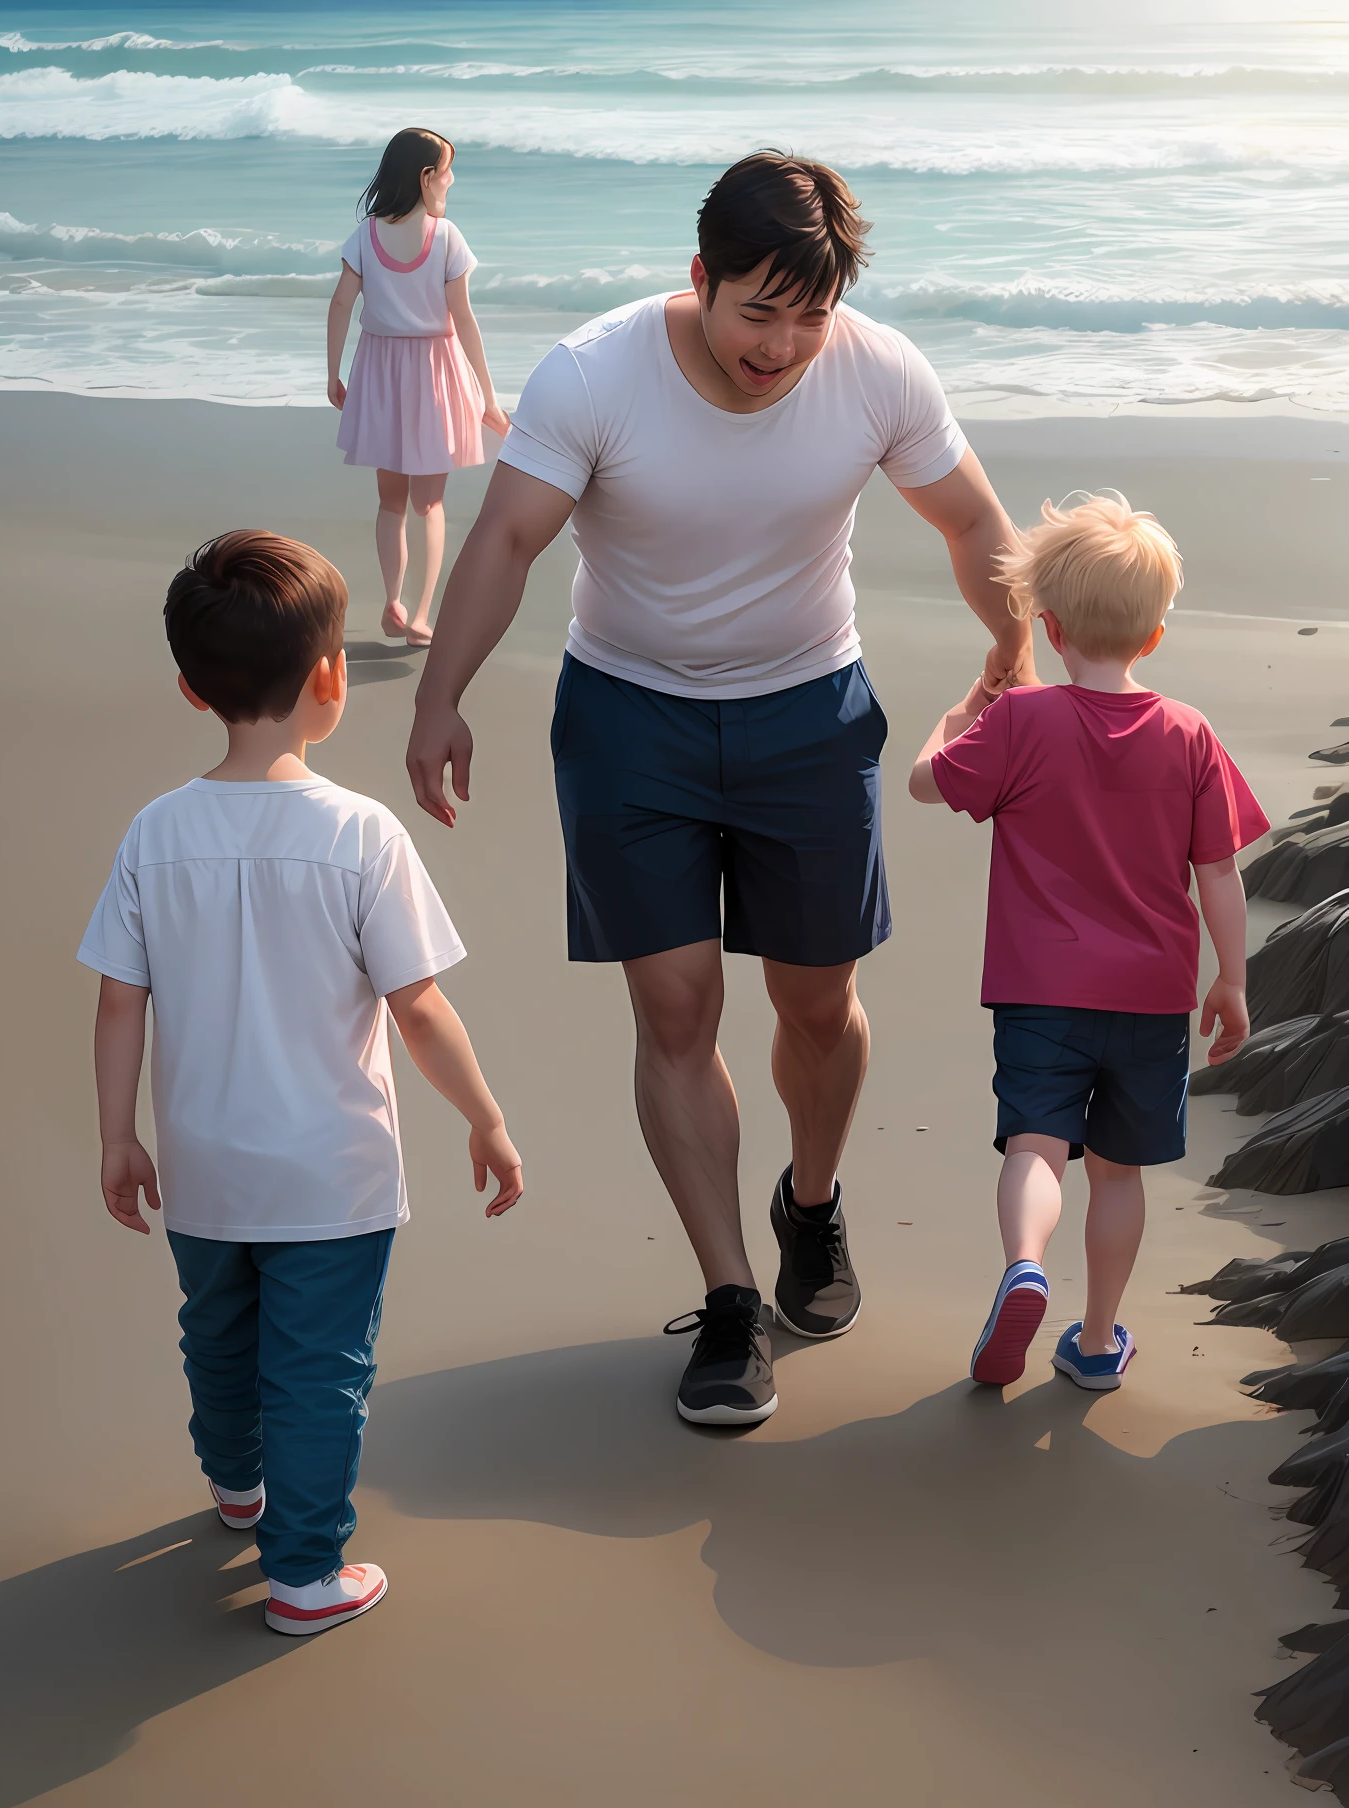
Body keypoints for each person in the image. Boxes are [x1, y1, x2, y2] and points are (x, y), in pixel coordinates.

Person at [405, 151, 1033, 1427]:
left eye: (810, 313)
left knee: (818, 1003)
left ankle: (810, 1200)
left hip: (808, 709)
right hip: (631, 718)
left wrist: (1013, 651)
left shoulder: (875, 367)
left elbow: (973, 524)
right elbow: (508, 536)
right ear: (698, 279)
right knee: (678, 1007)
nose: (786, 344)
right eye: (759, 310)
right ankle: (732, 1298)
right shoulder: (595, 372)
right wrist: (438, 696)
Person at [78, 530, 523, 1633]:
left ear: (190, 688)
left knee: (217, 1333)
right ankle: (306, 1571)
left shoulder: (155, 832)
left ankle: (236, 1486)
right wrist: (486, 1115)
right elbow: (417, 1006)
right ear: (331, 678)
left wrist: (116, 1135)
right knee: (321, 1369)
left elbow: (119, 999)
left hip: (204, 1160)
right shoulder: (359, 834)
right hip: (331, 1173)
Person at [909, 493, 1269, 1391]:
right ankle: (1100, 1340)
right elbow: (1219, 874)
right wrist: (1232, 980)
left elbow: (924, 783)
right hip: (1151, 996)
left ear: (1052, 625)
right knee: (1118, 1174)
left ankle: (1024, 1263)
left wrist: (963, 710)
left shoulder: (1021, 721)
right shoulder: (1190, 735)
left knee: (1037, 1145)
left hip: (1040, 991)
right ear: (1152, 638)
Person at [327, 128, 511, 648]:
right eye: (447, 169)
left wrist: (331, 372)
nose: (452, 179)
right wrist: (488, 397)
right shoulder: (446, 237)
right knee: (429, 505)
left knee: (391, 500)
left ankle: (392, 600)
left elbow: (341, 304)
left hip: (381, 371)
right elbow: (465, 319)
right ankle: (423, 615)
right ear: (427, 177)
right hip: (435, 373)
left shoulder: (365, 235)